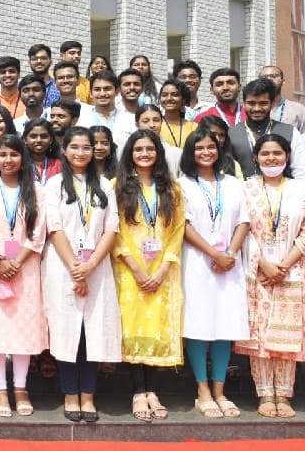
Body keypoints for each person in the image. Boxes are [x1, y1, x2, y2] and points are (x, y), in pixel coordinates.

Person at [235, 134, 305, 419]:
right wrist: (265, 265)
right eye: (265, 154)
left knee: (286, 335)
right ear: (256, 157)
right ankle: (264, 393)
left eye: (277, 153)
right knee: (259, 335)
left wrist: (283, 264)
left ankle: (284, 393)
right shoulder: (246, 189)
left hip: (291, 270)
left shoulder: (302, 190)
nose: (272, 159)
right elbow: (243, 230)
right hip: (256, 271)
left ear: (288, 156)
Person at [43, 127, 120, 423]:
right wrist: (76, 267)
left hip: (97, 268)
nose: (80, 153)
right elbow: (54, 226)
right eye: (74, 147)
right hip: (63, 267)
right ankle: (69, 393)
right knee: (66, 332)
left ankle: (88, 394)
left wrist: (90, 266)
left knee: (92, 333)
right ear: (64, 150)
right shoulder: (54, 185)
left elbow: (111, 228)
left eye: (86, 147)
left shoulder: (104, 184)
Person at [113, 130, 185, 422]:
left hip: (163, 272)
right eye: (139, 149)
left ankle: (153, 390)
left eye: (150, 149)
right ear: (130, 153)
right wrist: (138, 269)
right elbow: (113, 232)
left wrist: (163, 268)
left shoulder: (172, 188)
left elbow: (178, 231)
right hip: (130, 272)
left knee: (156, 328)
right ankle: (137, 390)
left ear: (158, 153)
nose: (144, 154)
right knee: (134, 329)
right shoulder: (117, 187)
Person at [178, 129, 250, 419]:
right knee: (199, 325)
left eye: (211, 147)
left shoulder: (233, 184)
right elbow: (182, 225)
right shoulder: (182, 184)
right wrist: (213, 253)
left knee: (224, 326)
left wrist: (229, 254)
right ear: (190, 153)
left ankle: (220, 390)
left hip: (229, 265)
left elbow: (244, 220)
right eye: (199, 148)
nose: (206, 152)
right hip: (198, 263)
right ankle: (202, 391)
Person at [0, 135, 46, 418]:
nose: (8, 160)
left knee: (24, 331)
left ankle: (20, 388)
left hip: (26, 268)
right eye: (3, 155)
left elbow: (39, 230)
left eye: (14, 155)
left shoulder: (36, 190)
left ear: (23, 159)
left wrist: (16, 261)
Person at [229, 78, 305, 180]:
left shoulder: (290, 132)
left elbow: (301, 171)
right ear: (244, 104)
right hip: (244, 193)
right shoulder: (231, 134)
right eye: (251, 103)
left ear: (272, 104)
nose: (257, 108)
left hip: (284, 193)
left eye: (263, 103)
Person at [79, 71, 135, 147]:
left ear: (117, 91)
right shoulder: (81, 119)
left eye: (107, 89)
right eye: (97, 89)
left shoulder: (130, 119)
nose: (102, 94)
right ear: (91, 94)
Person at [258, 66, 305, 133]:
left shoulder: (297, 109)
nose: (269, 79)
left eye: (273, 76)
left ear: (283, 81)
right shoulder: (253, 109)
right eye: (264, 77)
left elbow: (304, 137)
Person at [157, 79, 197, 148]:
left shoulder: (194, 127)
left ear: (183, 99)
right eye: (164, 95)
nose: (169, 98)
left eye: (175, 95)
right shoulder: (155, 125)